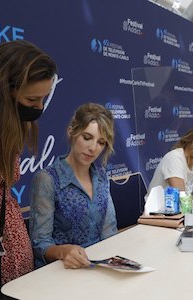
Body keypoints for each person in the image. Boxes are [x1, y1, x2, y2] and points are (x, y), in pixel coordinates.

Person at [0, 40, 57, 298]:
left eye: (43, 99)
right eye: (32, 99)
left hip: (8, 253)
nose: (39, 108)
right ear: (1, 91)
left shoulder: (11, 123)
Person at [29, 103, 118, 269]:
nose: (93, 148)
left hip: (99, 267)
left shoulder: (101, 176)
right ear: (71, 132)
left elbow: (109, 232)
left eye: (101, 142)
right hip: (61, 271)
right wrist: (63, 251)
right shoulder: (47, 179)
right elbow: (40, 243)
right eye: (87, 137)